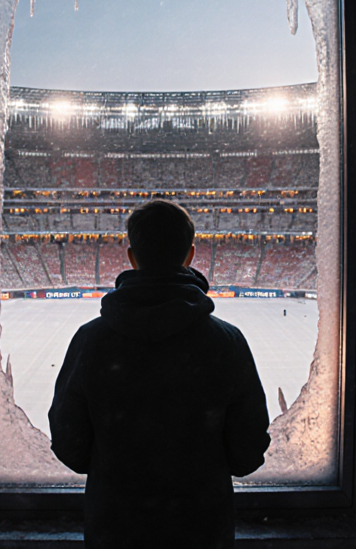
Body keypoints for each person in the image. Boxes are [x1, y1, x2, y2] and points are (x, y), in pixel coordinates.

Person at [49, 199, 271, 549]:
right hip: (201, 528)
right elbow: (247, 452)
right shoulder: (226, 342)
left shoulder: (90, 341)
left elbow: (69, 445)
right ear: (191, 255)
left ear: (131, 257)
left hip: (115, 527)